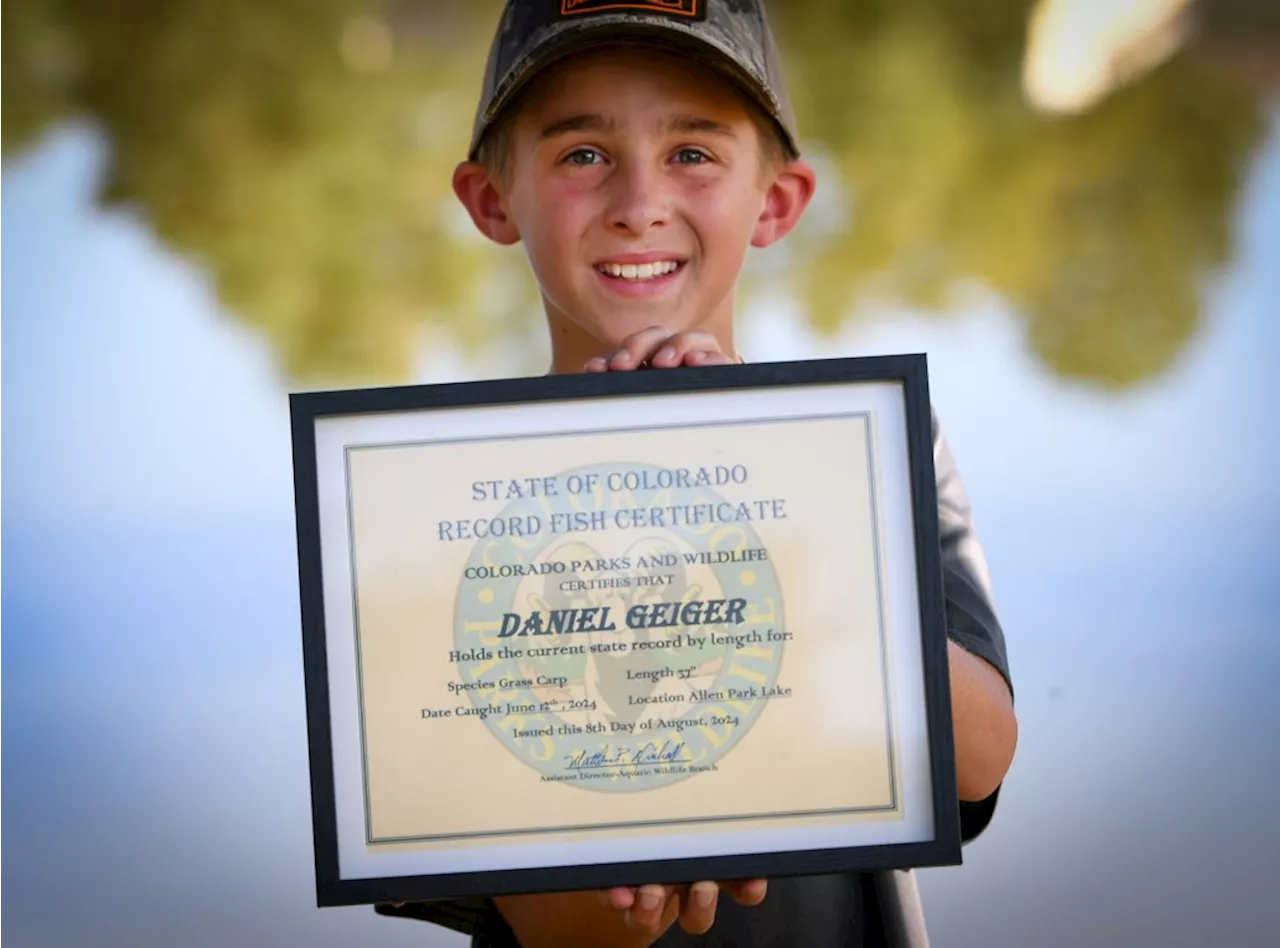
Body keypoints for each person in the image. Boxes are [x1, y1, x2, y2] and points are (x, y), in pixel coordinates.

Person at [377, 2, 1017, 945]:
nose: (639, 201)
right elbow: (548, 924)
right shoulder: (450, 503)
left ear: (776, 201)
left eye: (693, 153)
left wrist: (783, 481)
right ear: (491, 200)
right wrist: (632, 891)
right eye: (583, 154)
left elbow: (980, 755)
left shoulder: (868, 449)